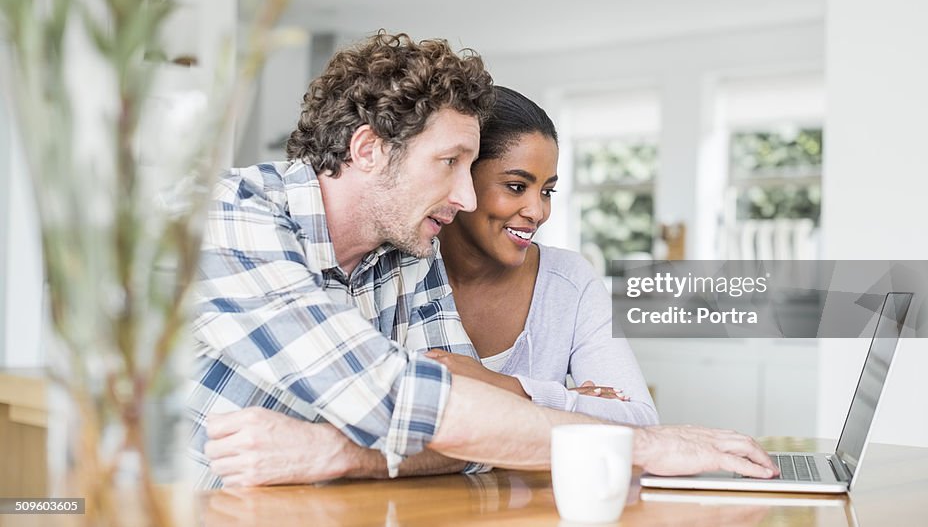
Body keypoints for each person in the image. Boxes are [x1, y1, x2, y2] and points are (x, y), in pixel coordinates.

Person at [190, 32, 778, 488]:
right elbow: (412, 405)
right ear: (368, 149)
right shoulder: (229, 220)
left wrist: (336, 454)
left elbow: (473, 432)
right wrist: (647, 446)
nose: (466, 198)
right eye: (450, 164)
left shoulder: (405, 253)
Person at [424, 87, 658, 425]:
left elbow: (640, 421)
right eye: (517, 187)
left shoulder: (569, 281)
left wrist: (506, 387)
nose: (537, 211)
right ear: (462, 177)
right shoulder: (402, 270)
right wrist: (567, 404)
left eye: (547, 191)